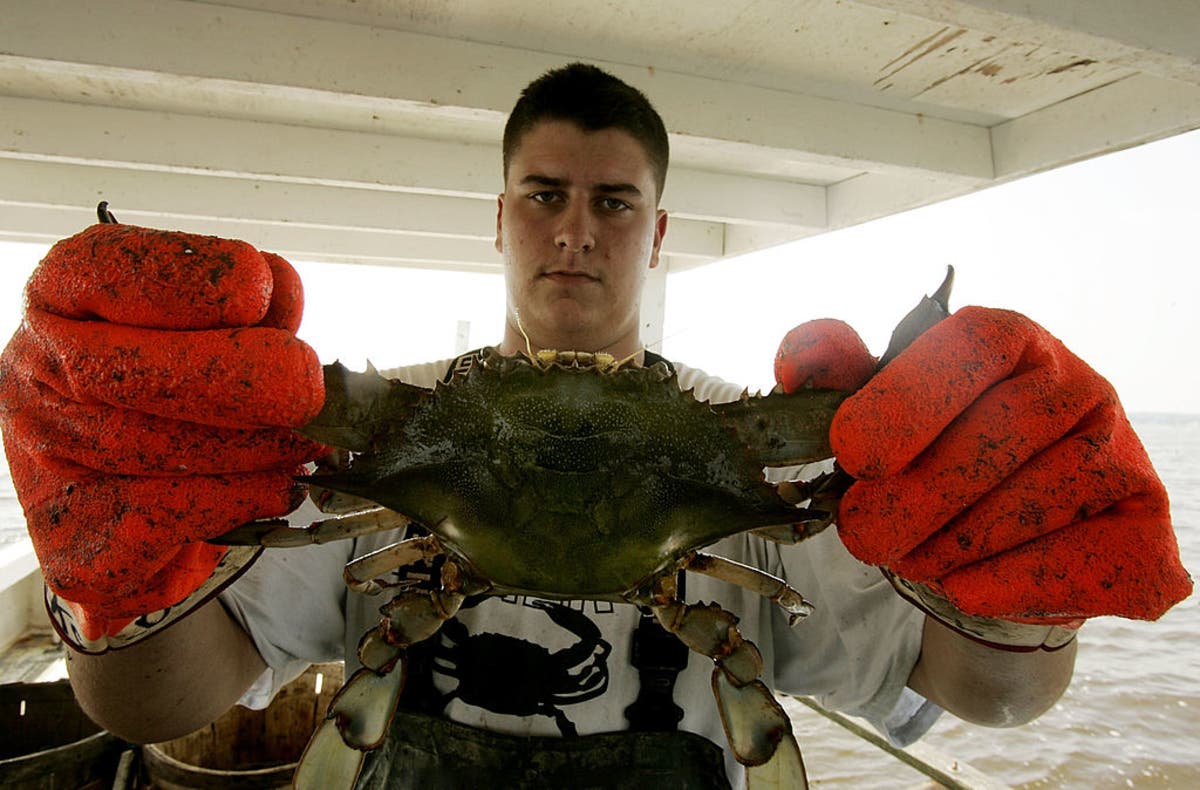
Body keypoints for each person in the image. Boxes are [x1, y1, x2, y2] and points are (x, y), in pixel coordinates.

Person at [0, 63, 1190, 788]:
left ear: (658, 232)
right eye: (545, 195)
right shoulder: (371, 443)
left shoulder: (758, 447)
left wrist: (1012, 580)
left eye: (613, 201)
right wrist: (116, 576)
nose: (576, 231)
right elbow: (156, 701)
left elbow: (987, 696)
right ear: (500, 217)